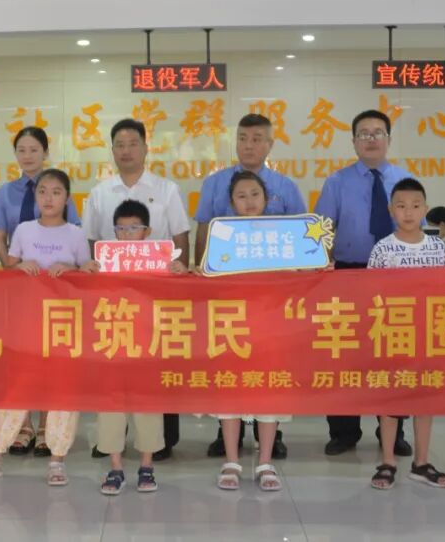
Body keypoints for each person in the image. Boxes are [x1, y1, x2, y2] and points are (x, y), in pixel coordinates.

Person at [0, 169, 87, 488]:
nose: (48, 198)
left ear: (67, 198)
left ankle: (57, 460)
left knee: (62, 394)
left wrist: (71, 269)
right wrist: (19, 267)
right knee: (16, 391)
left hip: (63, 326)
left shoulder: (76, 234)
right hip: (27, 324)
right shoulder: (24, 230)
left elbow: (87, 277)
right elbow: (10, 271)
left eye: (56, 192)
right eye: (42, 191)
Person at [193, 113, 303, 459]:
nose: (249, 145)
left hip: (271, 297)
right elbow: (203, 230)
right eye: (243, 138)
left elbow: (301, 235)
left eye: (257, 139)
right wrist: (200, 274)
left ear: (270, 144)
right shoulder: (215, 183)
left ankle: (271, 432)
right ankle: (226, 433)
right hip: (227, 292)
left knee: (269, 361)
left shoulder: (286, 186)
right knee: (228, 356)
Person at [82, 118, 190, 460]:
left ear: (145, 148)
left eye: (133, 144)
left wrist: (180, 277)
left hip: (156, 296)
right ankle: (110, 440)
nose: (126, 150)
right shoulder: (100, 193)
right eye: (119, 145)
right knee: (112, 362)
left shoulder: (166, 189)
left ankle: (159, 441)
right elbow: (91, 242)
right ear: (112, 150)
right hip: (111, 297)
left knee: (155, 364)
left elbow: (180, 237)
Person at [315, 109, 414, 457]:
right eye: (364, 134)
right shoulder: (337, 182)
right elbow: (321, 231)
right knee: (343, 353)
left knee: (393, 353)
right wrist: (321, 269)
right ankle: (343, 432)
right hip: (348, 274)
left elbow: (414, 228)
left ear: (389, 139)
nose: (371, 139)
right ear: (354, 141)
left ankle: (394, 431)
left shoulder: (404, 179)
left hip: (395, 275)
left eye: (378, 133)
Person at [0, 125, 80, 457]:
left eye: (34, 149)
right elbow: (0, 236)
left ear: (45, 152)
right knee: (21, 358)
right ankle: (21, 427)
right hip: (21, 289)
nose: (27, 156)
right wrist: (10, 271)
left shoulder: (59, 189)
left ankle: (45, 427)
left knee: (52, 358)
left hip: (57, 299)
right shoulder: (6, 192)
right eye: (21, 150)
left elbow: (75, 240)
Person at [368, 178, 445, 490]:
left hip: (428, 335)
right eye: (401, 206)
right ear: (391, 210)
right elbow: (369, 294)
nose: (408, 212)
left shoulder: (437, 248)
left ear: (425, 209)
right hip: (393, 334)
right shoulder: (383, 248)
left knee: (424, 400)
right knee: (391, 400)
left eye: (415, 206)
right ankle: (388, 461)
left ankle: (422, 462)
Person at [208, 171, 289, 493]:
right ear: (232, 202)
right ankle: (232, 461)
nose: (249, 201)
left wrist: (315, 269)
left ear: (266, 199)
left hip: (270, 326)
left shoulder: (281, 234)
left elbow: (294, 276)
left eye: (255, 194)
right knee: (230, 394)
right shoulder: (222, 233)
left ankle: (265, 462)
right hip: (232, 325)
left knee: (269, 395)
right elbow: (211, 277)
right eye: (241, 196)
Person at [82, 199, 166, 495]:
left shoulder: (159, 261)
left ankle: (147, 465)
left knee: (148, 406)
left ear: (147, 231)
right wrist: (86, 269)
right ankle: (115, 467)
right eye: (121, 229)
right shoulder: (104, 261)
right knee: (110, 406)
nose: (127, 234)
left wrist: (178, 269)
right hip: (112, 342)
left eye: (134, 228)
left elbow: (178, 292)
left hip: (148, 345)